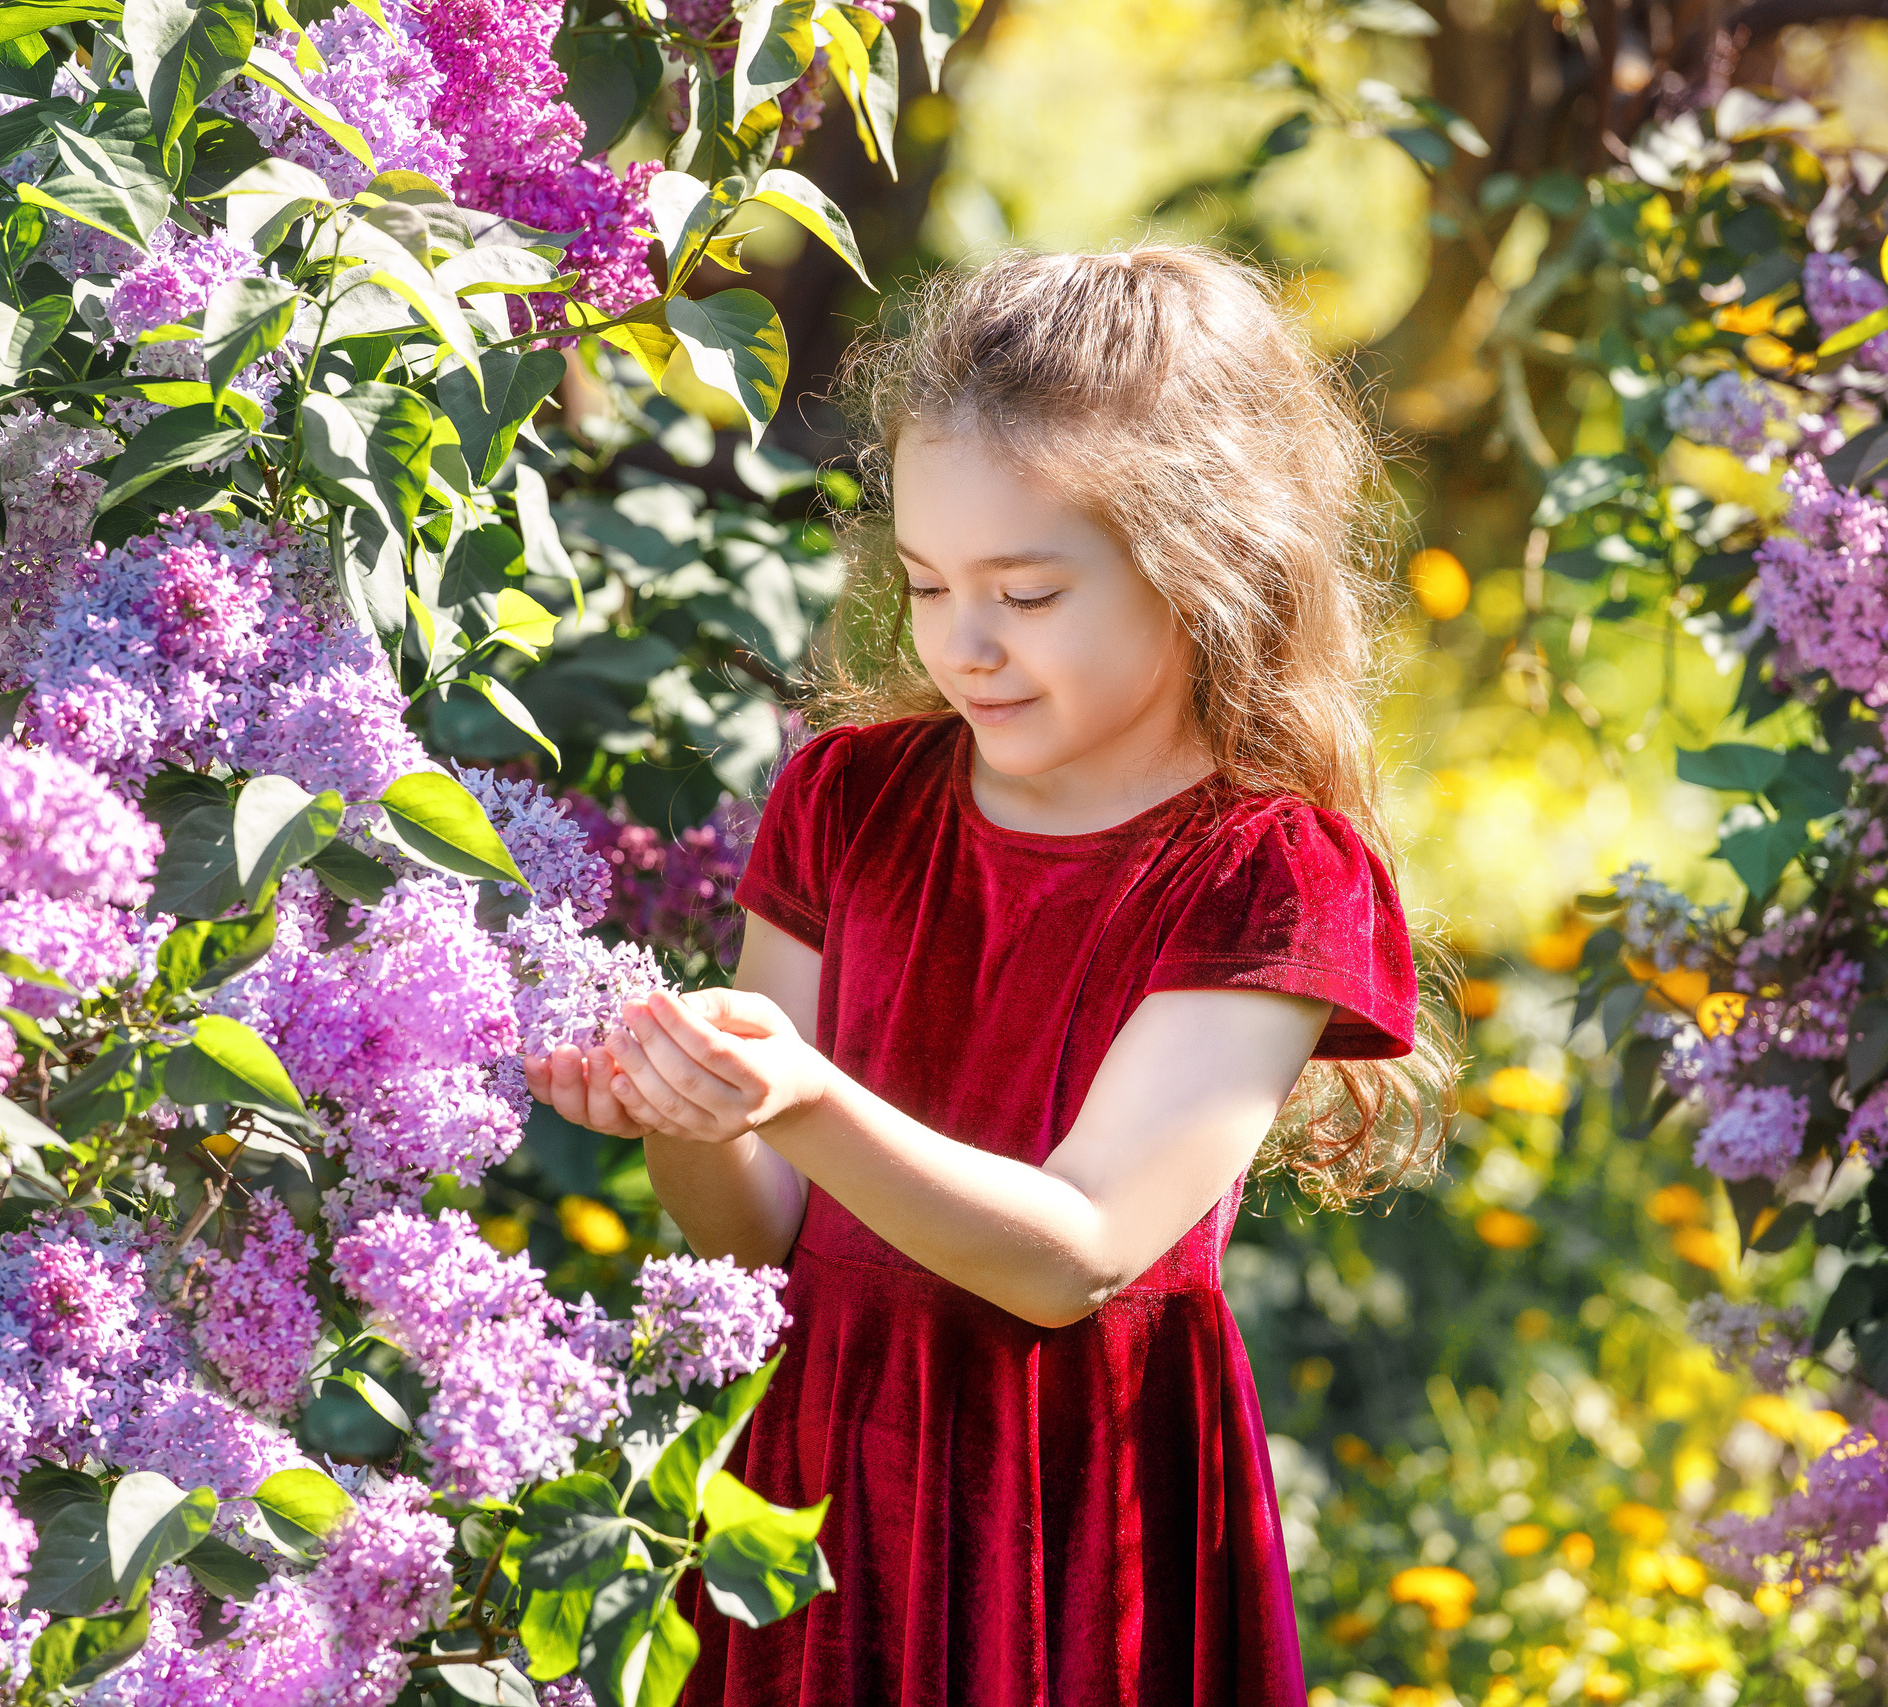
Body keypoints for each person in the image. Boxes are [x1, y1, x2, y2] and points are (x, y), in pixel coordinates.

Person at [522, 245, 1460, 1706]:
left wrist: (800, 1091)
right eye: (925, 582)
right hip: (824, 1480)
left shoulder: (1266, 873)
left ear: (1199, 565)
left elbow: (1072, 1255)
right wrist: (690, 1109)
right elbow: (755, 1240)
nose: (962, 644)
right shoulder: (847, 797)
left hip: (1078, 1510)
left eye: (1025, 594)